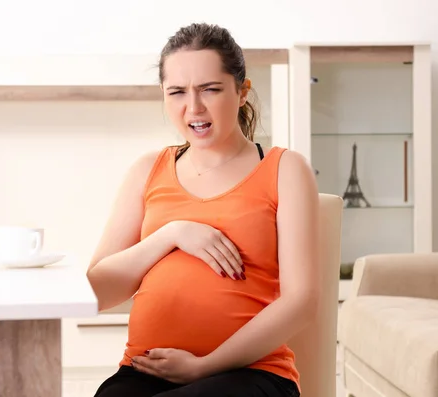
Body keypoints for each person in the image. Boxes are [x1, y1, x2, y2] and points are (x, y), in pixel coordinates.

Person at [86, 22, 319, 397]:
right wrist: (172, 234)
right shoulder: (148, 169)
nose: (193, 107)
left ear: (242, 92)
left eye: (210, 90)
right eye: (177, 92)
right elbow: (96, 291)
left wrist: (203, 367)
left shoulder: (285, 169)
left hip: (250, 374)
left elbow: (302, 302)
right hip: (144, 370)